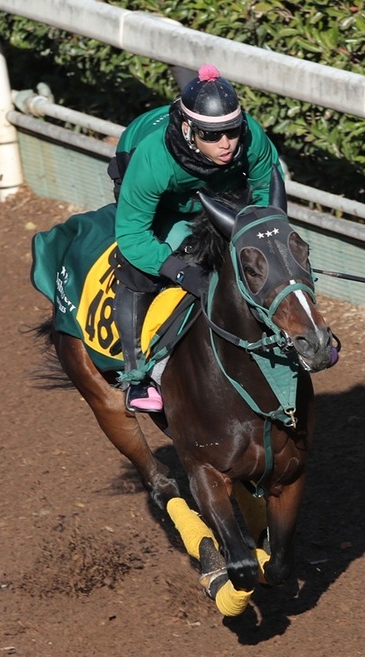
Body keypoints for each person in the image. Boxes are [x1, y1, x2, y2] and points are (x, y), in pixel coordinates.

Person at [109, 64, 283, 413]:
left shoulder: (252, 138)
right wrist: (179, 271)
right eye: (212, 136)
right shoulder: (153, 159)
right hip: (162, 196)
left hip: (219, 190)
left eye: (233, 132)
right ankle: (136, 376)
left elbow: (266, 193)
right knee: (137, 270)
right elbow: (131, 233)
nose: (226, 144)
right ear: (189, 130)